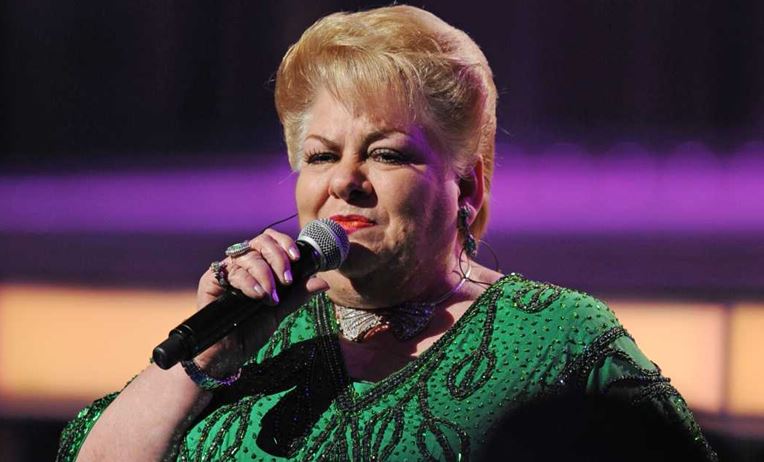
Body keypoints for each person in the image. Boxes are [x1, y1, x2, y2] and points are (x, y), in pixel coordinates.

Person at [58, 5, 717, 461]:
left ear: (467, 188)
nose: (344, 180)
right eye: (321, 156)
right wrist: (204, 362)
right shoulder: (247, 330)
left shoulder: (558, 338)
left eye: (386, 154)